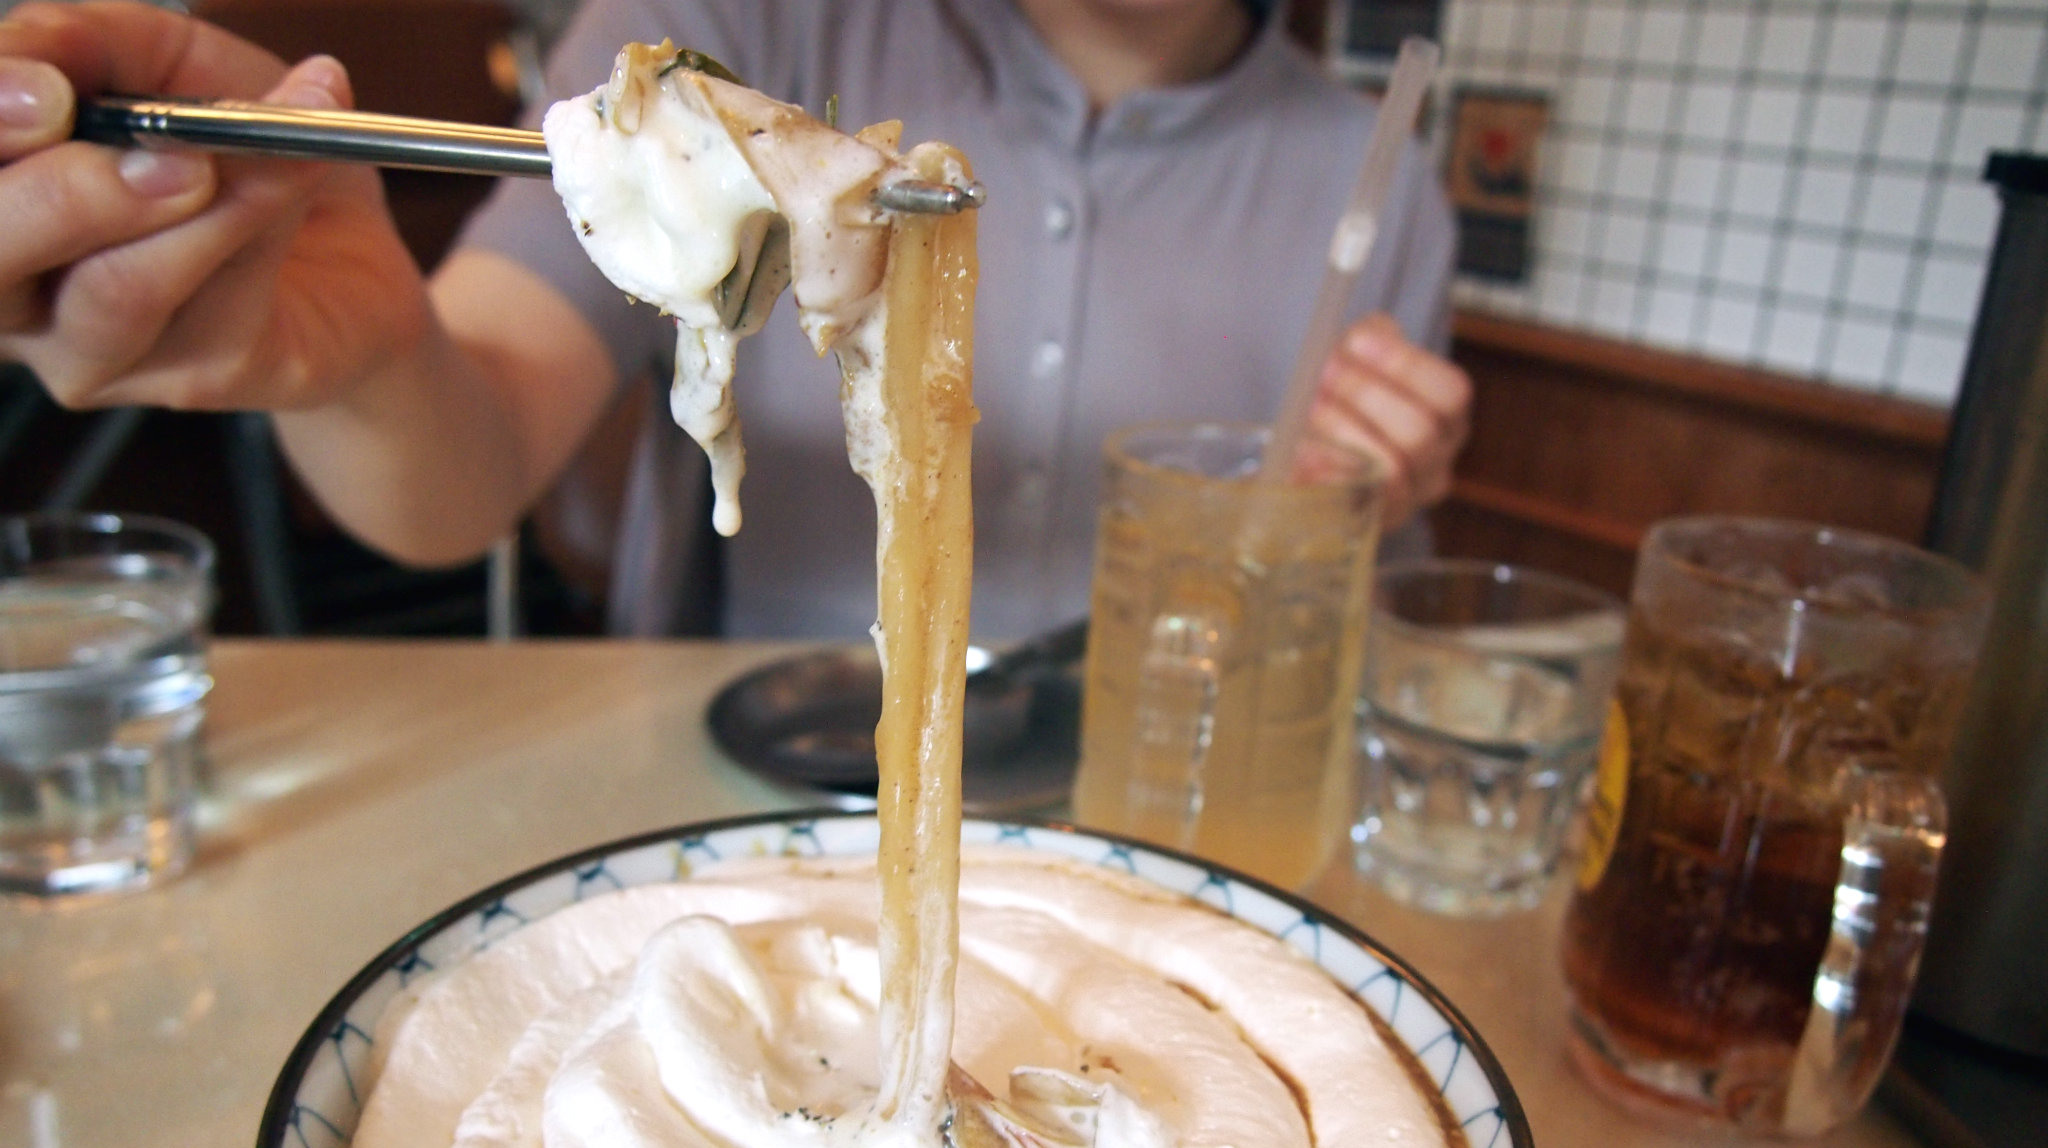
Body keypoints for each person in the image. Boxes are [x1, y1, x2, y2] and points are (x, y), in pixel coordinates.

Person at [0, 0, 1471, 640]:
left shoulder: (1377, 181)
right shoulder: (729, 32)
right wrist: (367, 353)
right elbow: (469, 449)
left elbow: (1340, 608)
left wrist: (1360, 492)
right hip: (733, 777)